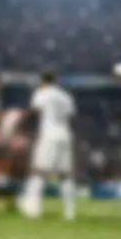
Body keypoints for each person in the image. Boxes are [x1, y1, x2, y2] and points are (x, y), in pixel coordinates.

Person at [21, 71, 77, 220]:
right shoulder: (64, 96)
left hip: (49, 135)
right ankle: (69, 211)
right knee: (65, 174)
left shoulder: (42, 93)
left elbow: (35, 112)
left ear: (42, 80)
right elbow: (71, 116)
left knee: (39, 171)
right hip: (65, 135)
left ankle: (34, 208)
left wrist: (23, 126)